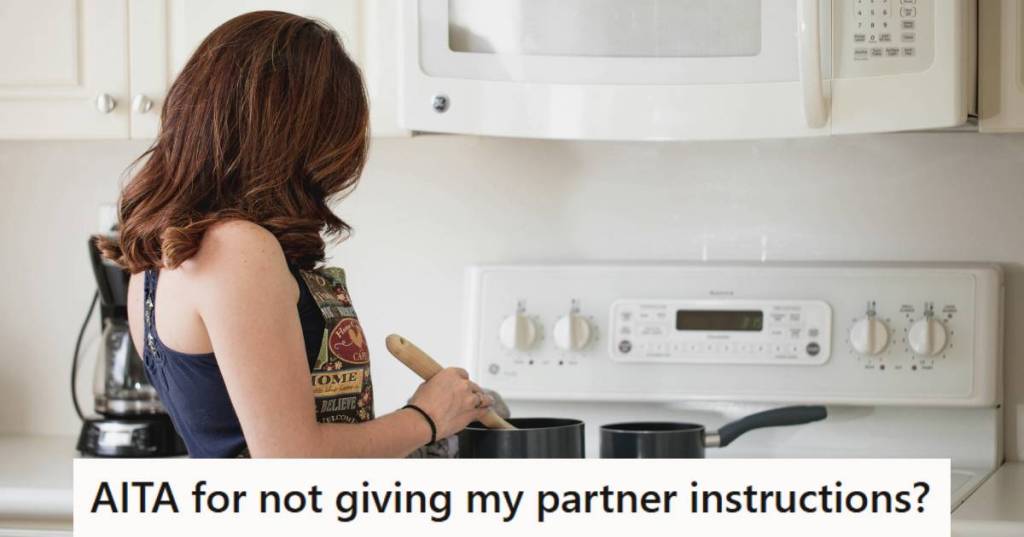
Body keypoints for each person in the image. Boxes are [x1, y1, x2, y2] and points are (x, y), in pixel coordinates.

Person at [98, 11, 495, 458]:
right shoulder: (236, 248)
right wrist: (426, 418)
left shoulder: (159, 262)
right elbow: (290, 458)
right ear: (298, 137)